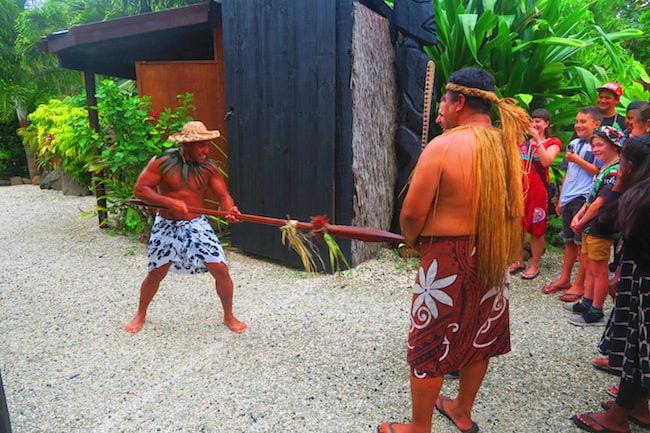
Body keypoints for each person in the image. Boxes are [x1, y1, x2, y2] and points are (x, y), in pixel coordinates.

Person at [377, 67, 529, 433]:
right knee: (480, 335)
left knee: (430, 343)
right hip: (492, 252)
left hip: (447, 260)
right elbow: (514, 209)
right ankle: (461, 410)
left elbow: (412, 212)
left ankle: (420, 426)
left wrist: (413, 240)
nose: (439, 109)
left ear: (459, 101)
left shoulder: (443, 146)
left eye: (443, 100)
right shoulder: (506, 146)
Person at [124, 121, 247, 334]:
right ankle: (140, 313)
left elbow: (223, 195)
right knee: (156, 273)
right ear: (187, 145)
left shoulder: (209, 168)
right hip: (166, 224)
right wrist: (168, 202)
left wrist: (230, 209)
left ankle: (229, 316)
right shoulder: (162, 162)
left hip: (197, 224)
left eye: (208, 145)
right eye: (201, 146)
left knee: (221, 270)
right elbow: (141, 189)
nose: (206, 150)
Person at [572, 134, 650, 433]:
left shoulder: (638, 199)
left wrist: (617, 187)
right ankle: (640, 406)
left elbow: (604, 222)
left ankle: (618, 419)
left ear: (629, 165)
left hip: (643, 281)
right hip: (639, 273)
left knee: (635, 345)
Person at [564, 126, 623, 326]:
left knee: (599, 269)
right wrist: (579, 216)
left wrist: (580, 220)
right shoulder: (605, 168)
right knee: (589, 265)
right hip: (591, 225)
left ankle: (596, 310)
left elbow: (599, 203)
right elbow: (591, 199)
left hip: (602, 226)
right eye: (593, 146)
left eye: (600, 145)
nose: (595, 150)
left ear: (614, 146)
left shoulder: (614, 171)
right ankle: (588, 301)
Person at [542, 107, 603, 300]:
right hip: (569, 197)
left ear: (596, 124)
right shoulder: (574, 143)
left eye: (583, 121)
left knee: (582, 244)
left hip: (584, 198)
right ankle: (565, 278)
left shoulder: (598, 146)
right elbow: (568, 172)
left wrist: (577, 159)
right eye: (577, 121)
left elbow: (598, 171)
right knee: (569, 241)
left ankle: (580, 284)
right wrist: (561, 198)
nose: (578, 125)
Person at [509, 108, 562, 280]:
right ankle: (518, 260)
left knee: (537, 229)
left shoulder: (553, 142)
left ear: (547, 124)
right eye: (533, 120)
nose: (535, 124)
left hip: (538, 192)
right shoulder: (522, 143)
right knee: (517, 226)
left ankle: (534, 265)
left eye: (539, 121)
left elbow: (546, 162)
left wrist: (538, 141)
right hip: (520, 190)